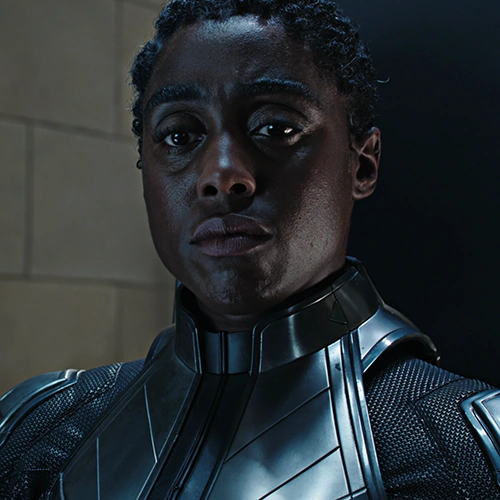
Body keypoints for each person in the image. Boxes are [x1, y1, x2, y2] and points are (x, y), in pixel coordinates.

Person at [1, 0, 499, 498]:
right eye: (179, 135)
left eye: (276, 129)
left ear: (363, 165)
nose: (222, 175)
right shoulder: (34, 429)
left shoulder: (471, 452)